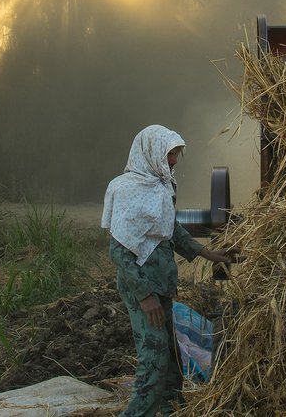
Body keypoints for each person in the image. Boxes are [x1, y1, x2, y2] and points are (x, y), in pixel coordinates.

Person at [102, 125, 232, 417]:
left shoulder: (163, 187)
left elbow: (170, 231)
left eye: (176, 154)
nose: (174, 161)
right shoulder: (124, 189)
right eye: (170, 154)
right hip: (142, 288)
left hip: (162, 283)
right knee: (154, 358)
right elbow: (118, 251)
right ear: (151, 152)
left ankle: (172, 408)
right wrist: (145, 298)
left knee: (171, 354)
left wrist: (208, 254)